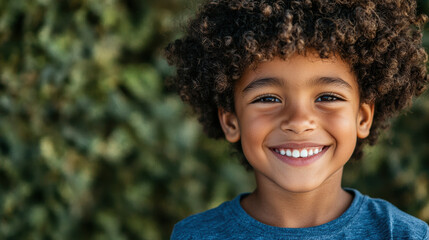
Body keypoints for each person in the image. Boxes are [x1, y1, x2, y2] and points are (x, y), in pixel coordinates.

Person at [165, 0, 429, 239]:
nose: (299, 121)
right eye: (268, 99)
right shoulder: (195, 235)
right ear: (231, 122)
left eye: (328, 97)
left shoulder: (403, 235)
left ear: (362, 117)